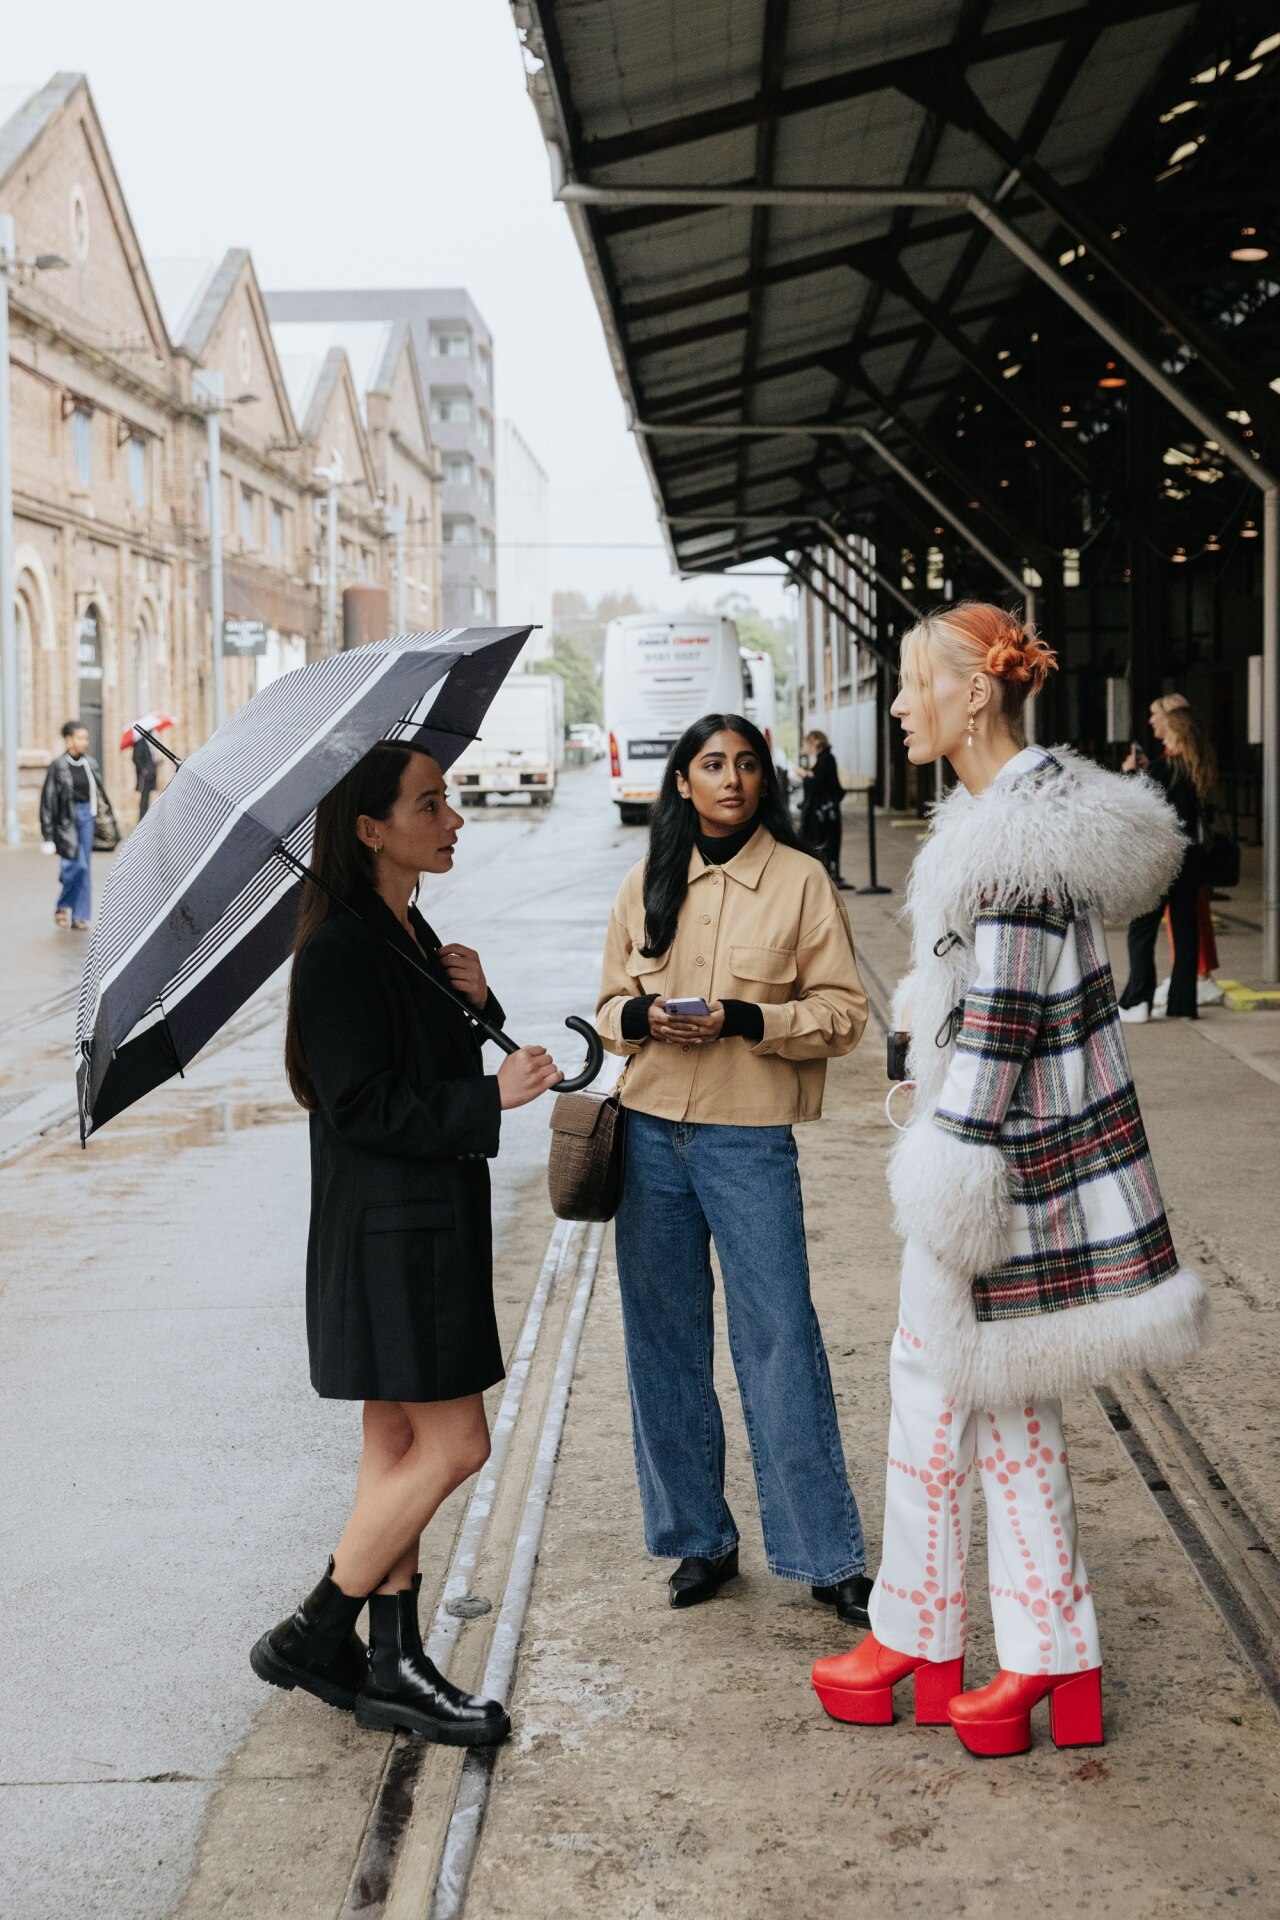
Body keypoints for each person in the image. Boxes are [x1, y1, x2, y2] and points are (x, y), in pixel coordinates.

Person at [811, 602, 1207, 1757]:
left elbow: (1007, 1022)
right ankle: (946, 1637)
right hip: (999, 1154)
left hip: (1001, 1169)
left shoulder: (1015, 840)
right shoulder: (997, 821)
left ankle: (1026, 1655)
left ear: (973, 692)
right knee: (938, 1395)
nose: (894, 705)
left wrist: (945, 1162)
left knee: (988, 1406)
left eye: (908, 683)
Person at [250, 742, 562, 1746]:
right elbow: (361, 1103)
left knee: (394, 1444)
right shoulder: (339, 948)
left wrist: (475, 1008)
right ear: (370, 829)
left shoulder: (400, 930)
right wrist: (488, 1095)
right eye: (431, 804)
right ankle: (314, 1629)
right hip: (393, 1236)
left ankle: (393, 1665)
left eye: (450, 799)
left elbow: (408, 1060)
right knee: (458, 1444)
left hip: (416, 1224)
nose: (453, 817)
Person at [596, 713, 873, 1623]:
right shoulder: (648, 880)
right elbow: (606, 1005)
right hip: (647, 1134)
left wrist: (749, 1020)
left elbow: (843, 1014)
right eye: (712, 764)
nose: (731, 779)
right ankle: (697, 1542)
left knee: (779, 1338)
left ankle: (825, 1554)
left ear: (765, 782)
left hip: (748, 1139)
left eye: (747, 765)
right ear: (682, 781)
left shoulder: (800, 882)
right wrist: (642, 1021)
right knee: (663, 1345)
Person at [1118, 699, 1214, 1023]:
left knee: (1141, 929)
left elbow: (1140, 805)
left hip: (1161, 860)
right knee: (1186, 931)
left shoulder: (1163, 769)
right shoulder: (1197, 765)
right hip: (1192, 861)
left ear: (1173, 728)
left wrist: (1131, 773)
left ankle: (1138, 1000)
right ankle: (1183, 1004)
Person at [39, 720, 117, 931]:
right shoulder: (58, 765)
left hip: (87, 818)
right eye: (80, 738)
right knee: (76, 866)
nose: (85, 742)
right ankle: (63, 904)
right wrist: (47, 835)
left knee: (85, 868)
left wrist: (106, 821)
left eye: (86, 738)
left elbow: (99, 795)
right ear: (68, 739)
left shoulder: (90, 764)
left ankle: (79, 916)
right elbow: (47, 800)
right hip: (66, 820)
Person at [797, 730, 851, 888]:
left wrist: (805, 776)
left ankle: (825, 874)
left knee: (821, 841)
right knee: (822, 842)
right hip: (822, 811)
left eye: (809, 744)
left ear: (815, 743)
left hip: (821, 813)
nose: (808, 748)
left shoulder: (826, 759)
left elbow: (818, 785)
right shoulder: (824, 758)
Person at [133, 731, 158, 819]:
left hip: (150, 774)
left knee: (147, 796)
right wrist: (143, 769)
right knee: (144, 797)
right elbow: (136, 757)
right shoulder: (140, 742)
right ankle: (142, 817)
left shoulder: (149, 742)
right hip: (144, 776)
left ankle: (145, 816)